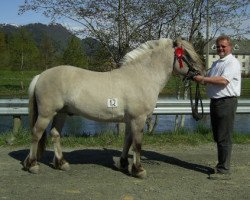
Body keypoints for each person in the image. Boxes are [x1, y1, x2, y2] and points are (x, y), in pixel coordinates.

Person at [193, 35, 241, 179]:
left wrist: (202, 79)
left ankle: (224, 170)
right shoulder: (217, 63)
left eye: (223, 46)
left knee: (224, 137)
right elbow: (209, 78)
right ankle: (221, 165)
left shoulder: (232, 62)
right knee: (218, 136)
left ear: (230, 47)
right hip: (216, 102)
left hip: (226, 102)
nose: (220, 48)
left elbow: (223, 80)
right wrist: (197, 76)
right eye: (218, 46)